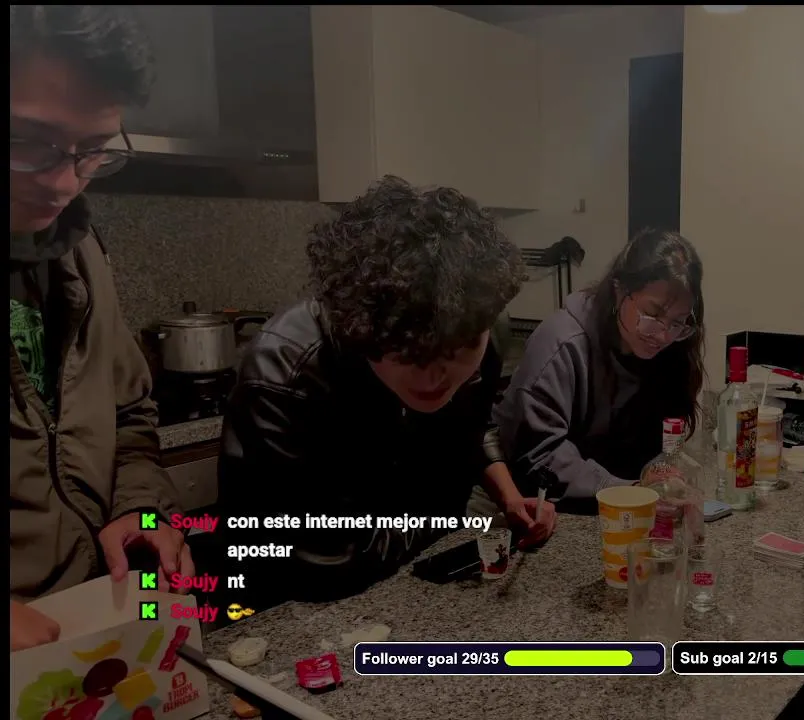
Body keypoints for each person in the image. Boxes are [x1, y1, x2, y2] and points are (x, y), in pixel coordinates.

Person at [218, 176, 556, 607]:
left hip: (407, 567)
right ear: (361, 326)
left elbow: (470, 422)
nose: (435, 378)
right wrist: (440, 519)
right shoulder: (285, 371)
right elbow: (321, 561)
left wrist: (507, 495)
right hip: (285, 599)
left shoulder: (482, 329)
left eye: (457, 351)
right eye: (409, 353)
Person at [10, 5, 193, 651]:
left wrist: (140, 509)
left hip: (87, 630)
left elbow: (130, 416)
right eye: (26, 141)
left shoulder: (80, 253)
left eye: (91, 150)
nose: (64, 182)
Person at [495, 229, 706, 509]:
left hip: (606, 501)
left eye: (678, 322)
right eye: (653, 314)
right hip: (524, 500)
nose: (663, 335)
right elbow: (540, 454)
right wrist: (626, 490)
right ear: (619, 290)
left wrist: (658, 474)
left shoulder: (671, 348)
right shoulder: (562, 343)